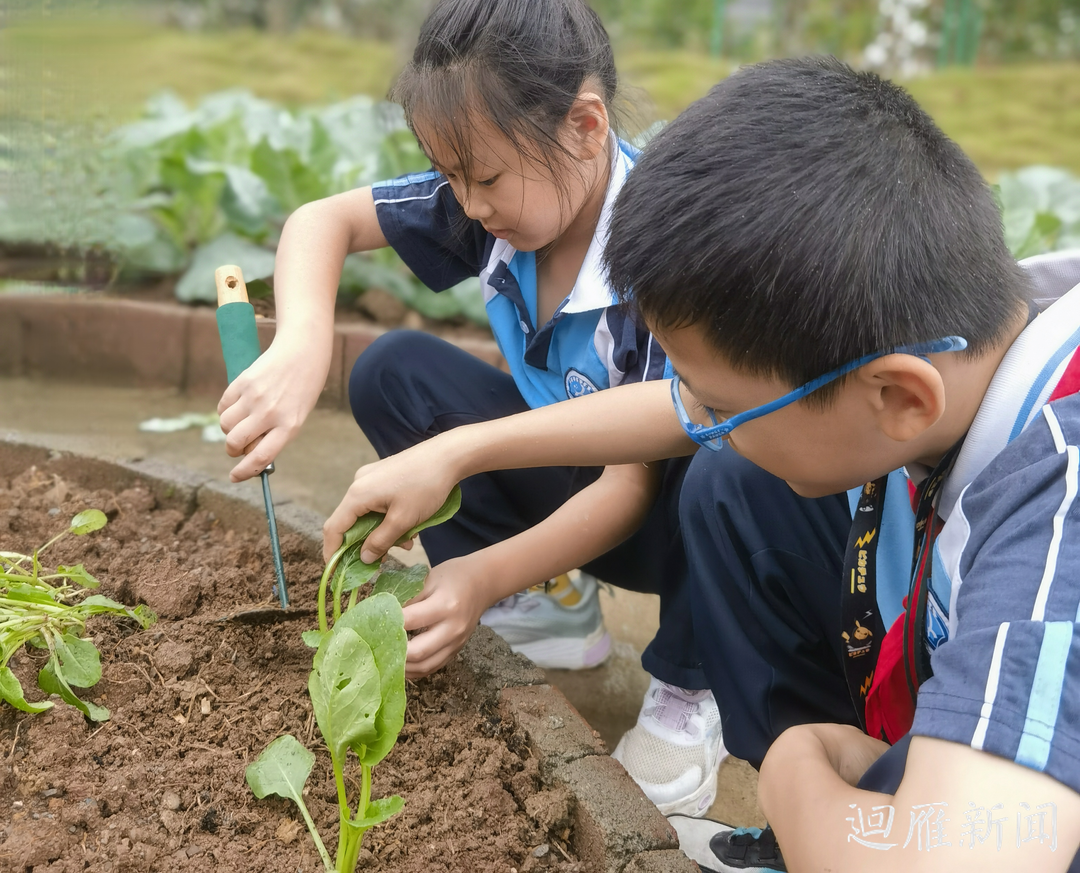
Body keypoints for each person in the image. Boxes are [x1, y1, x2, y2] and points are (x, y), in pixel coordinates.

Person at [327, 56, 1080, 871]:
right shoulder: (962, 339)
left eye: (721, 406)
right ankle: (834, 822)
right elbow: (670, 414)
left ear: (900, 397)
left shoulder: (1058, 490)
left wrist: (795, 771)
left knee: (900, 784)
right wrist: (457, 451)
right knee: (741, 483)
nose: (697, 418)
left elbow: (956, 862)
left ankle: (821, 828)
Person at [218, 0, 725, 817]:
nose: (466, 205)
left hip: (662, 516)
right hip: (566, 471)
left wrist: (476, 571)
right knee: (394, 370)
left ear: (585, 126)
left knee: (721, 458)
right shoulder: (488, 194)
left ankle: (691, 685)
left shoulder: (663, 252)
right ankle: (555, 600)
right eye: (447, 176)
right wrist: (301, 342)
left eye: (482, 177)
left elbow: (631, 485)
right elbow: (318, 222)